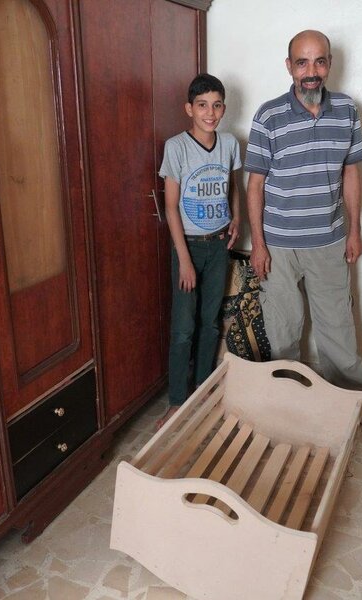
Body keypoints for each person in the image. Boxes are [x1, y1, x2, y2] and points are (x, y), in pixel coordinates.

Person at [244, 30, 362, 433]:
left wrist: (355, 231)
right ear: (289, 66)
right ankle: (283, 405)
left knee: (338, 332)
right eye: (302, 62)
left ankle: (355, 406)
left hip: (329, 241)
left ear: (329, 64)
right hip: (279, 245)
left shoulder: (347, 110)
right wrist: (258, 244)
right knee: (283, 333)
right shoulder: (268, 116)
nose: (311, 71)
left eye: (319, 61)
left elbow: (351, 173)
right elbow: (254, 184)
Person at [158, 73, 241, 427]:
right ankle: (178, 400)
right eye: (203, 105)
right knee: (184, 327)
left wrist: (236, 219)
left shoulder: (230, 144)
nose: (211, 112)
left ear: (224, 108)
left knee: (209, 324)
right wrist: (185, 262)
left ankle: (205, 389)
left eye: (217, 105)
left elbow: (231, 186)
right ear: (189, 109)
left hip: (219, 245)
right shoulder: (176, 147)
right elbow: (171, 207)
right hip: (188, 247)